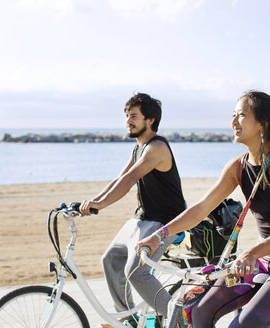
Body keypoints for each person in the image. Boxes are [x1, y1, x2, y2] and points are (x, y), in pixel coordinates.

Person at [137, 90, 270, 328]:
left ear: (262, 123)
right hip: (262, 260)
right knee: (199, 311)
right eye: (233, 115)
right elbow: (200, 209)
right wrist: (158, 236)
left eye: (241, 115)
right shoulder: (237, 166)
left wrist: (250, 253)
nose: (233, 122)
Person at [79, 93, 186, 322]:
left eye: (134, 116)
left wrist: (101, 205)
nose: (128, 120)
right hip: (144, 218)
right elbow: (120, 178)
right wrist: (91, 202)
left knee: (136, 272)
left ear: (150, 121)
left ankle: (180, 321)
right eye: (127, 116)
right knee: (110, 259)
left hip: (166, 221)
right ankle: (129, 319)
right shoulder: (138, 148)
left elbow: (129, 181)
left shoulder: (156, 147)